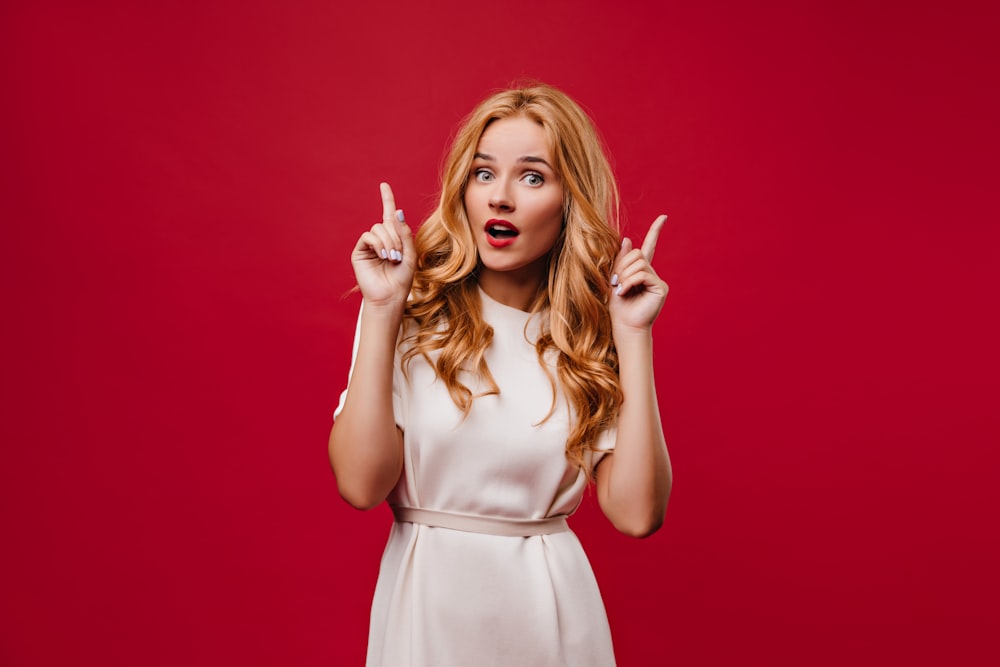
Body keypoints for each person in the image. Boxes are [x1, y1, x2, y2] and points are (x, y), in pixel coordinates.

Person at [329, 83, 672, 666]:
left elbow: (638, 514)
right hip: (427, 612)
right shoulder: (407, 312)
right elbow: (361, 485)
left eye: (533, 177)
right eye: (484, 174)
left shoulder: (587, 336)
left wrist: (633, 335)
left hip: (553, 621)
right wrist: (383, 309)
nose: (501, 198)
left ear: (570, 200)